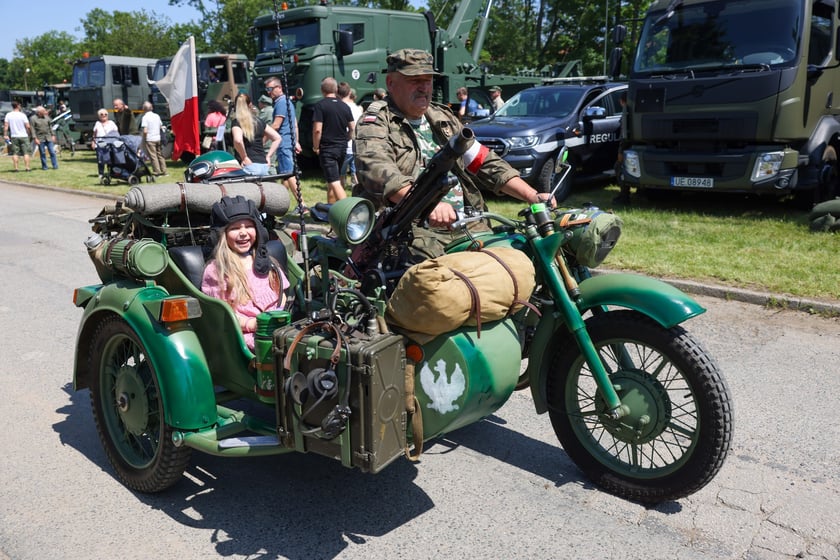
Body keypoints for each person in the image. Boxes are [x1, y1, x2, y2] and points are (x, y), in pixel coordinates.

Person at [354, 48, 549, 260]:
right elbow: (378, 171)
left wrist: (532, 196)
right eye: (414, 80)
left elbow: (482, 161)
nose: (423, 87)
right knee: (444, 277)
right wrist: (428, 205)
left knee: (517, 258)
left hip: (466, 225)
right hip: (410, 231)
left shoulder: (442, 118)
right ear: (391, 83)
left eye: (428, 80)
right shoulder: (376, 122)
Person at [201, 195, 289, 350]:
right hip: (244, 335)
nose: (243, 233)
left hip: (278, 329)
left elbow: (282, 295)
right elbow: (222, 314)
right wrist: (252, 324)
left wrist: (277, 316)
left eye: (248, 226)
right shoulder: (216, 271)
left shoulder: (267, 262)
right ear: (222, 235)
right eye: (235, 228)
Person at [312, 77, 355, 203]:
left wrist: (316, 147)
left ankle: (348, 210)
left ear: (322, 90)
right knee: (331, 181)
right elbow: (352, 128)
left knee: (334, 182)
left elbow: (317, 130)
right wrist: (346, 139)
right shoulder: (345, 106)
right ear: (336, 89)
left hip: (328, 148)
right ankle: (330, 209)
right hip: (342, 148)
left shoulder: (320, 106)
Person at [265, 76, 303, 203]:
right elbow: (295, 124)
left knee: (289, 174)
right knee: (285, 175)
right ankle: (281, 201)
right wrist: (296, 141)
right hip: (288, 142)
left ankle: (302, 204)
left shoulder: (281, 103)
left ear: (279, 88)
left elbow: (276, 125)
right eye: (267, 89)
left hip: (283, 144)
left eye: (270, 89)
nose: (268, 92)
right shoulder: (287, 102)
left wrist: (263, 139)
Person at [230, 93, 281, 176]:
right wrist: (268, 156)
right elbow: (277, 138)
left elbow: (238, 140)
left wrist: (244, 157)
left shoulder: (237, 122)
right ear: (250, 105)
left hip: (248, 166)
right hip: (263, 165)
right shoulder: (259, 121)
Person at [338, 82, 363, 189]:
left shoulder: (341, 107)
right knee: (355, 171)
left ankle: (341, 190)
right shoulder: (358, 109)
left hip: (345, 145)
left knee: (341, 173)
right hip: (356, 145)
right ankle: (356, 189)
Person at [3, 101, 32, 172]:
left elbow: (6, 126)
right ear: (18, 106)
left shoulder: (8, 115)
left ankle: (16, 168)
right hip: (23, 135)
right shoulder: (22, 115)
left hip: (14, 136)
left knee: (15, 153)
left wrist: (5, 135)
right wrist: (29, 133)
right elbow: (28, 126)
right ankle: (27, 168)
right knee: (26, 153)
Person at [140, 101, 167, 176]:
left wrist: (144, 139)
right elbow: (160, 126)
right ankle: (164, 171)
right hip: (158, 138)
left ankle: (157, 172)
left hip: (150, 139)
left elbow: (145, 131)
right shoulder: (157, 116)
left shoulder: (145, 117)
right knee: (160, 155)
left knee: (153, 156)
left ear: (144, 109)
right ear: (151, 108)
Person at [29, 106, 58, 170]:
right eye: (43, 111)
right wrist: (35, 138)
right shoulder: (33, 118)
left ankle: (55, 166)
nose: (45, 112)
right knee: (42, 153)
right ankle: (44, 167)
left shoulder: (47, 117)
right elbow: (32, 129)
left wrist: (53, 135)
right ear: (39, 112)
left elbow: (50, 127)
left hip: (48, 137)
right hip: (40, 138)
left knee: (52, 152)